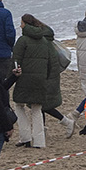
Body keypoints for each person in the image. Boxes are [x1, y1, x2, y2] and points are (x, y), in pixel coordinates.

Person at [10, 12, 65, 151]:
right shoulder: (44, 41)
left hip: (25, 78)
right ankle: (39, 141)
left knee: (19, 105)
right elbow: (51, 62)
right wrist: (46, 77)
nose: (20, 26)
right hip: (40, 79)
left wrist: (13, 74)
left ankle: (25, 137)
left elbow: (16, 60)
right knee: (37, 109)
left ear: (25, 25)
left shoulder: (22, 40)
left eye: (21, 23)